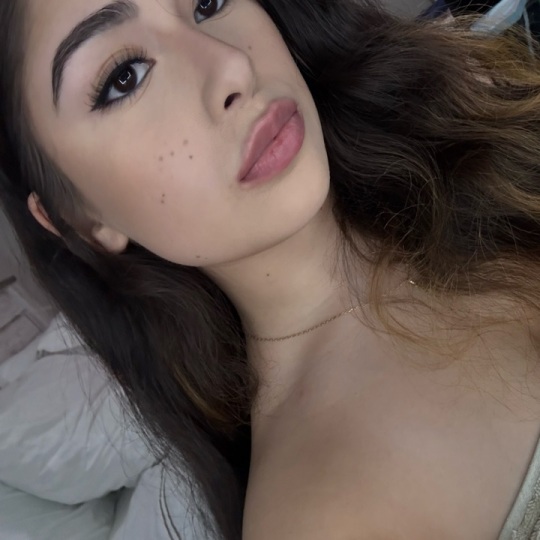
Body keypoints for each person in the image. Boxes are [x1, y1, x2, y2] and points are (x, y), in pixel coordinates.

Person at [2, 0, 540, 538]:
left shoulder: (466, 128)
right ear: (79, 218)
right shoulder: (324, 520)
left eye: (208, 3)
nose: (232, 65)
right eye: (125, 77)